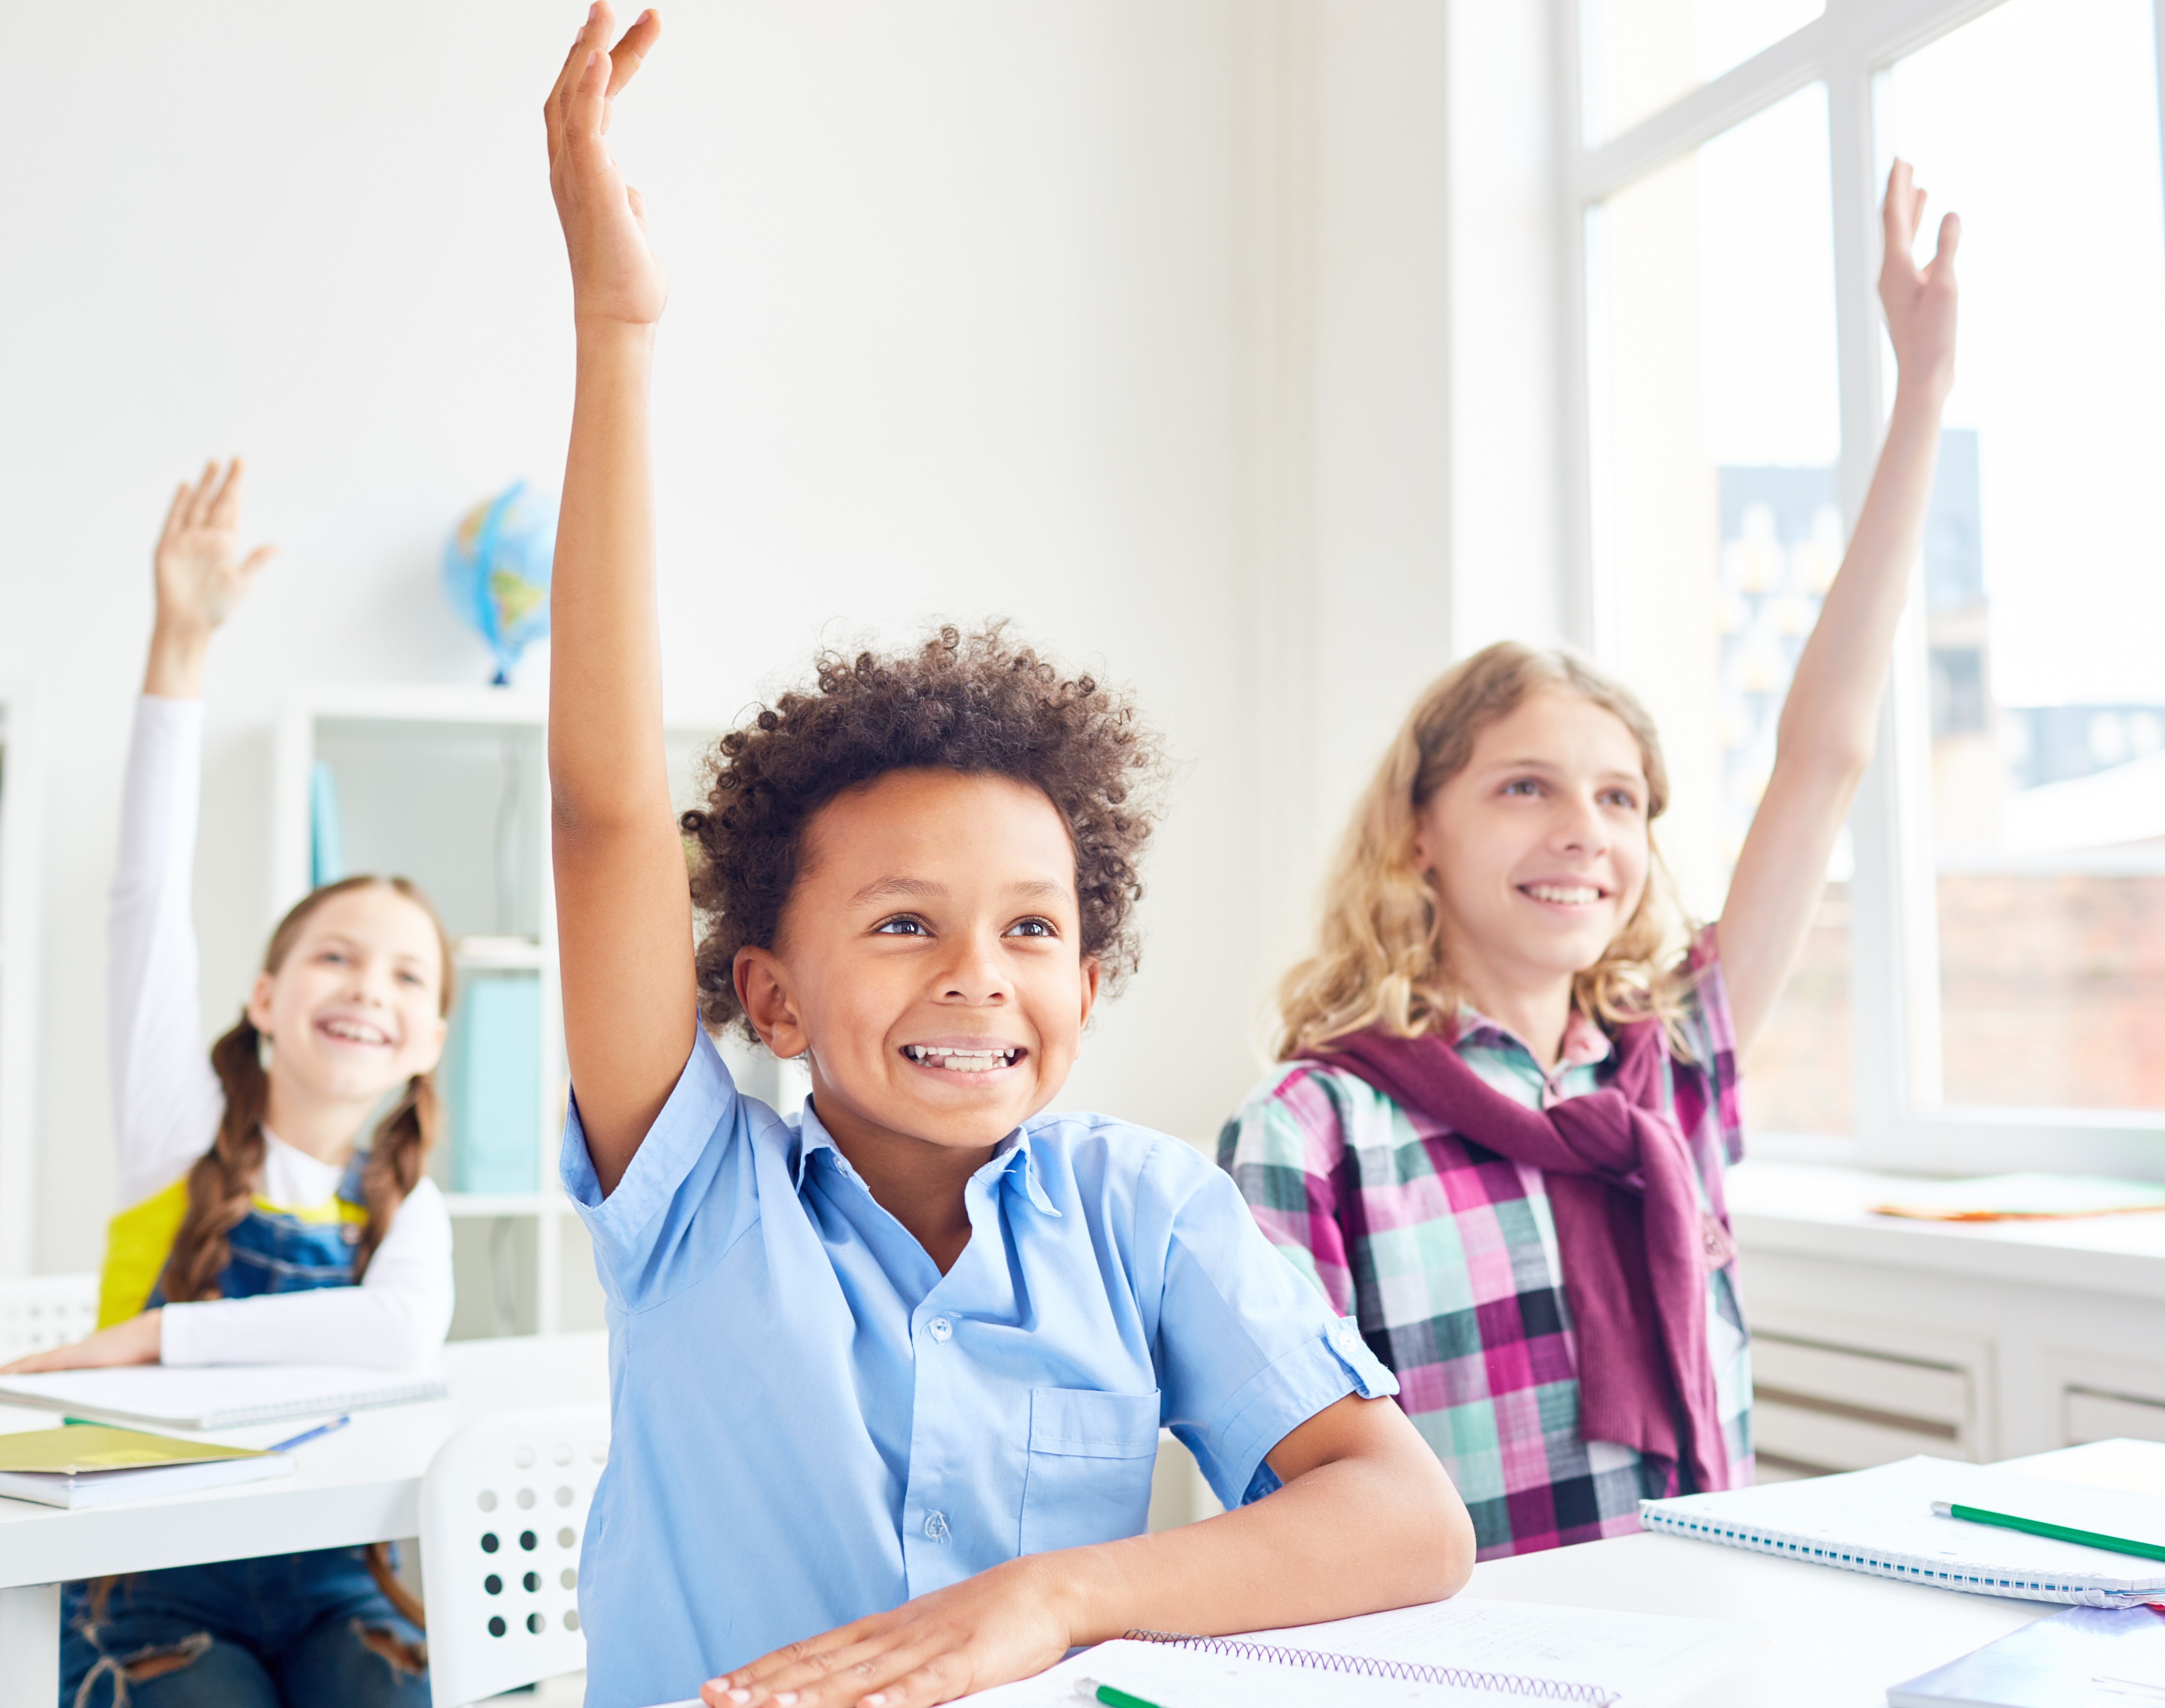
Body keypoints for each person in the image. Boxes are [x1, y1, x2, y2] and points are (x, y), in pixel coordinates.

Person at [538, 11, 1474, 1708]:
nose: (979, 973)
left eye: (1032, 927)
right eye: (903, 922)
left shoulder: (1141, 1210)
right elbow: (607, 817)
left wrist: (1059, 1598)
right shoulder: (696, 1202)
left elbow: (1407, 1522)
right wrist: (618, 328)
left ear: (1087, 982)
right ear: (768, 989)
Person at [1221, 162, 1961, 1559]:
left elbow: (1825, 755)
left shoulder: (1671, 1063)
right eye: (1525, 787)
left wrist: (1919, 394)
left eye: (1622, 799)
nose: (1586, 833)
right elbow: (1285, 1511)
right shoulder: (1311, 1132)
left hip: (1703, 1637)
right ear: (1418, 832)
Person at [3, 461, 455, 1707]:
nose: (369, 985)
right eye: (335, 955)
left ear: (428, 1040)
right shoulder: (176, 1131)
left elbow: (396, 1334)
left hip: (338, 1586)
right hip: (148, 1586)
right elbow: (143, 900)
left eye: (408, 977)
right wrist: (179, 646)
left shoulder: (403, 1196)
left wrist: (156, 1337)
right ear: (265, 999)